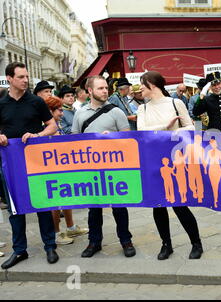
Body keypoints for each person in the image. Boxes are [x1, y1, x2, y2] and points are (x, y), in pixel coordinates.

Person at [137, 71, 203, 260]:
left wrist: (174, 132)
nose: (140, 87)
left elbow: (190, 127)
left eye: (142, 83)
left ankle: (196, 243)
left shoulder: (176, 103)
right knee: (158, 206)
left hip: (176, 158)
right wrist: (165, 127)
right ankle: (166, 244)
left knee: (179, 204)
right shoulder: (143, 109)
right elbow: (141, 131)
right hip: (153, 160)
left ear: (152, 84)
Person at [0, 62, 59, 270]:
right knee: (15, 209)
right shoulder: (1, 102)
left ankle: (50, 246)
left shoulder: (36, 102)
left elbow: (53, 126)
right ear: (9, 78)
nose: (26, 80)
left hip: (36, 162)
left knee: (42, 203)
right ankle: (19, 250)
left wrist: (38, 135)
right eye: (21, 77)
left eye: (27, 76)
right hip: (10, 164)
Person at [71, 75, 136, 259]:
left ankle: (126, 240)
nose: (105, 91)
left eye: (106, 88)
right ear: (89, 91)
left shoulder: (116, 112)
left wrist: (113, 138)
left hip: (114, 168)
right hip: (91, 169)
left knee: (119, 206)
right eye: (100, 88)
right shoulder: (80, 114)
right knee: (94, 208)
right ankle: (94, 242)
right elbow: (75, 142)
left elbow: (127, 138)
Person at [44, 96, 89, 245]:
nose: (62, 113)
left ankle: (70, 227)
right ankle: (56, 232)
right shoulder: (46, 128)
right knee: (55, 202)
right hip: (53, 171)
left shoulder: (58, 125)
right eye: (59, 110)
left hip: (64, 168)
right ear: (50, 111)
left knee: (66, 197)